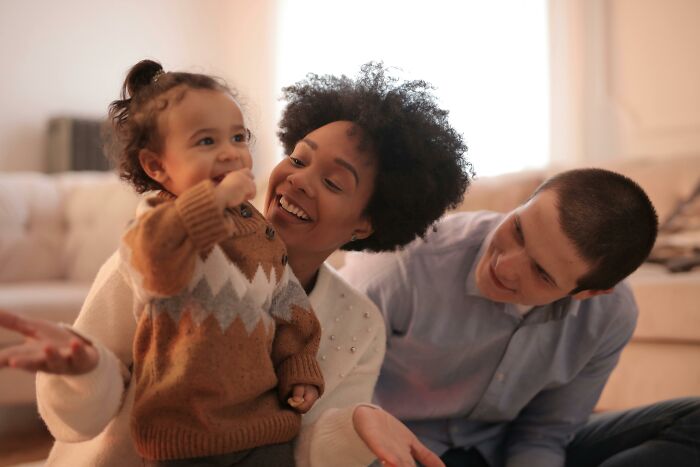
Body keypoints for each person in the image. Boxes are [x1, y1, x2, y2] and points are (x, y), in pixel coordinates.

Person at [0, 62, 473, 467]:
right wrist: (82, 370)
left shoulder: (360, 324)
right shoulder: (165, 248)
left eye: (332, 183)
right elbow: (75, 424)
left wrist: (357, 423)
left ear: (366, 223)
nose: (297, 181)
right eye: (297, 158)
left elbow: (306, 452)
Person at [341, 168, 700, 467]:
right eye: (517, 230)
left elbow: (544, 435)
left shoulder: (609, 315)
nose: (504, 265)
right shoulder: (400, 266)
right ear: (524, 203)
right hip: (401, 452)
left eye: (542, 274)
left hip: (504, 448)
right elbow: (329, 403)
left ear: (588, 292)